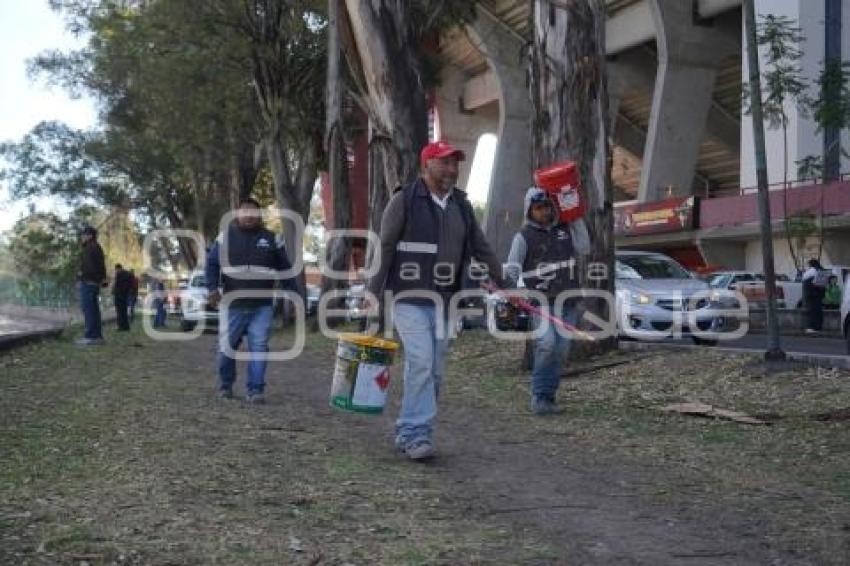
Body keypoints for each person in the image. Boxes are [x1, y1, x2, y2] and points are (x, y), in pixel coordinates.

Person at [366, 140, 505, 461]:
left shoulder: (460, 205)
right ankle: (416, 434)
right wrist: (372, 292)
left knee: (435, 369)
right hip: (408, 297)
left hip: (445, 301)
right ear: (426, 164)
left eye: (455, 163)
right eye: (444, 162)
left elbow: (481, 247)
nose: (452, 169)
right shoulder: (404, 200)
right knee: (422, 361)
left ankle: (409, 429)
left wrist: (504, 283)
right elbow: (384, 247)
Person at [505, 187, 590, 415]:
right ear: (529, 211)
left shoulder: (566, 229)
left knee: (561, 351)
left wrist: (575, 214)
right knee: (547, 345)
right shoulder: (523, 237)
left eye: (547, 207)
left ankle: (549, 397)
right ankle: (540, 397)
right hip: (540, 303)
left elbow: (584, 247)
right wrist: (510, 291)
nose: (544, 211)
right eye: (538, 208)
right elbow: (512, 268)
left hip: (568, 302)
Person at [205, 197, 296, 404]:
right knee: (226, 346)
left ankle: (255, 390)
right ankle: (225, 386)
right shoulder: (224, 237)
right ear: (237, 214)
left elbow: (285, 270)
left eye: (253, 211)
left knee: (259, 347)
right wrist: (211, 288)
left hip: (262, 306)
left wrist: (294, 294)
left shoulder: (273, 238)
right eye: (244, 211)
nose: (248, 215)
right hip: (232, 305)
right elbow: (211, 265)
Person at [76, 225, 107, 346]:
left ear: (89, 235)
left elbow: (89, 267)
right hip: (94, 282)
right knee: (94, 309)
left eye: (83, 235)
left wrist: (80, 275)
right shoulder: (97, 247)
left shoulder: (89, 248)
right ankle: (97, 336)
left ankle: (90, 336)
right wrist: (102, 279)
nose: (81, 237)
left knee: (89, 309)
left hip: (88, 282)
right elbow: (101, 267)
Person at [801, 258, 828, 334]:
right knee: (818, 311)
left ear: (811, 264)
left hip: (811, 294)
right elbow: (822, 285)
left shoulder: (811, 271)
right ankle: (818, 327)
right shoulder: (821, 270)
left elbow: (807, 283)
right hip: (818, 294)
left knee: (811, 311)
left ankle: (812, 327)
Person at [112, 264, 133, 331]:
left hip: (118, 295)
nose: (116, 271)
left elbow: (116, 284)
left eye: (116, 270)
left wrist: (113, 291)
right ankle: (126, 326)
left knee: (119, 311)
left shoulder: (119, 274)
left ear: (117, 268)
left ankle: (120, 326)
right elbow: (131, 284)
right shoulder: (129, 274)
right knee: (124, 311)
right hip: (125, 295)